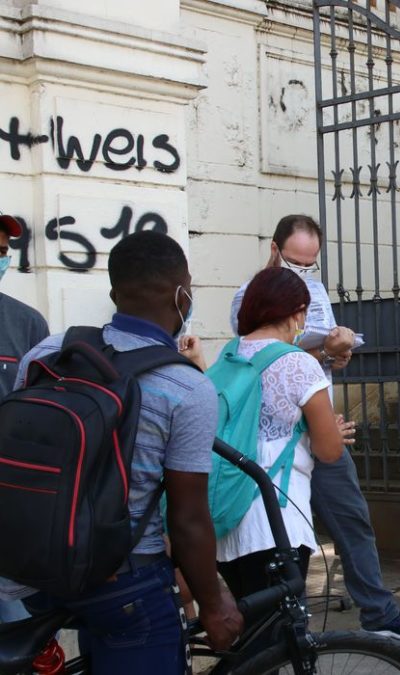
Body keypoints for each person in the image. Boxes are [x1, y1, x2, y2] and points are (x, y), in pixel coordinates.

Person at [13, 231, 242, 670]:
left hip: (36, 566)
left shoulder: (49, 352)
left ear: (115, 292)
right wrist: (214, 607)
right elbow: (188, 519)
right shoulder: (187, 387)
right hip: (123, 580)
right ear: (182, 295)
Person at [233, 215, 400, 640]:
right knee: (282, 539)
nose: (303, 273)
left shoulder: (318, 293)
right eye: (294, 262)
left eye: (310, 264)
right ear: (274, 249)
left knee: (351, 519)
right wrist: (325, 345)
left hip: (319, 417)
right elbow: (264, 341)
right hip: (277, 437)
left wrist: (335, 355)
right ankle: (287, 630)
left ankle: (377, 612)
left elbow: (313, 352)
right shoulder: (249, 295)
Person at [218, 267, 354, 602]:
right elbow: (329, 451)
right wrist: (332, 432)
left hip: (228, 510)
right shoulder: (298, 364)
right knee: (279, 636)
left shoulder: (230, 354)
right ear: (298, 314)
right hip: (275, 515)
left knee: (253, 629)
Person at [0, 211, 48, 623]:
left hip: (10, 502)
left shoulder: (26, 324)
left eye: (2, 253)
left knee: (18, 630)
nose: (1, 260)